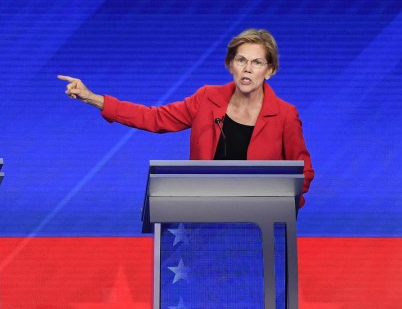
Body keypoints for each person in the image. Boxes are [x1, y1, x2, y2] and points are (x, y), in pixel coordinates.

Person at [58, 28, 314, 205]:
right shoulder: (207, 99)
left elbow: (304, 174)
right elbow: (154, 118)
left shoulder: (284, 115)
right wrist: (92, 97)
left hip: (262, 224)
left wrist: (279, 206)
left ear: (270, 71)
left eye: (257, 63)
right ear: (230, 65)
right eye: (241, 60)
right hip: (205, 213)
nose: (248, 69)